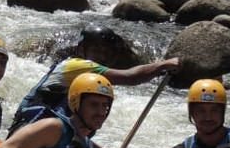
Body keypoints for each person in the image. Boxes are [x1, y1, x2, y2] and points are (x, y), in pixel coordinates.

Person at [11, 23, 178, 130]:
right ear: (81, 50)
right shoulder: (77, 65)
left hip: (43, 130)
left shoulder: (89, 79)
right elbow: (130, 77)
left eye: (106, 53)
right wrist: (162, 65)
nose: (101, 57)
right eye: (96, 51)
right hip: (30, 128)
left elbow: (74, 126)